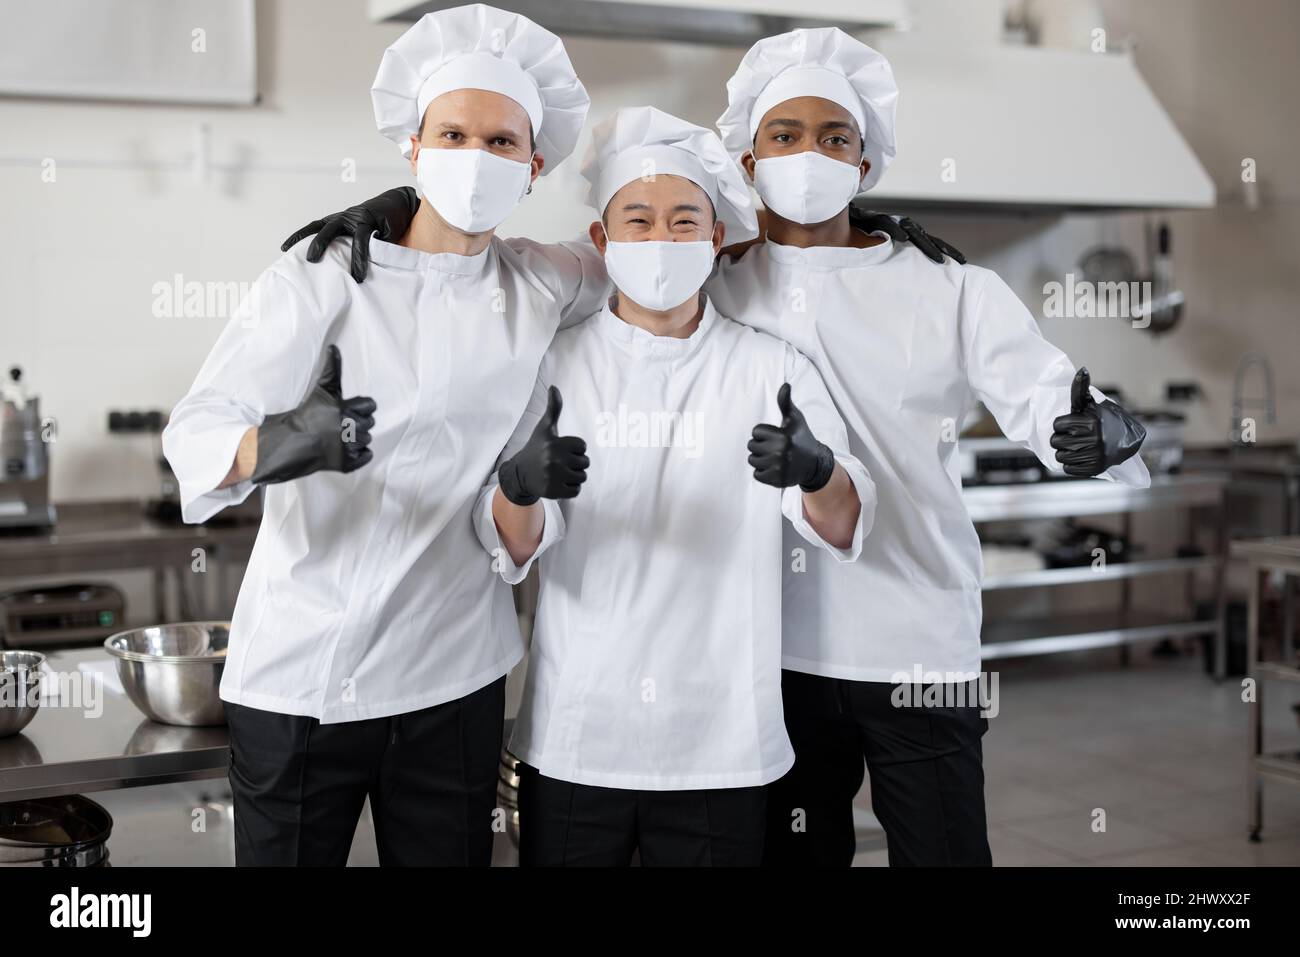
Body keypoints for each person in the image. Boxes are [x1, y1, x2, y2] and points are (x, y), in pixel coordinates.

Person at [284, 28, 1148, 869]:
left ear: (865, 162)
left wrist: (1106, 429)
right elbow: (512, 255)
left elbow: (1048, 397)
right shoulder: (711, 270)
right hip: (778, 660)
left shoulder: (948, 285)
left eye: (833, 137)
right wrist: (404, 210)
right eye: (784, 134)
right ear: (750, 160)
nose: (807, 153)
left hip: (915, 638)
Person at [161, 4, 608, 866]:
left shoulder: (539, 281)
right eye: (452, 134)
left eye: (501, 142)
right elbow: (197, 431)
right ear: (414, 145)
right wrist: (281, 441)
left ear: (534, 164)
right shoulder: (323, 275)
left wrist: (835, 241)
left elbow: (672, 244)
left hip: (453, 680)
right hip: (302, 677)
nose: (473, 158)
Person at [474, 107, 873, 866]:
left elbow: (844, 524)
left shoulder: (771, 369)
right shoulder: (556, 362)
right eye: (639, 220)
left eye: (685, 221)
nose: (661, 240)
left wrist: (817, 472)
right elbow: (511, 547)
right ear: (602, 240)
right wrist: (521, 487)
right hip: (579, 729)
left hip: (721, 737)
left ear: (716, 237)